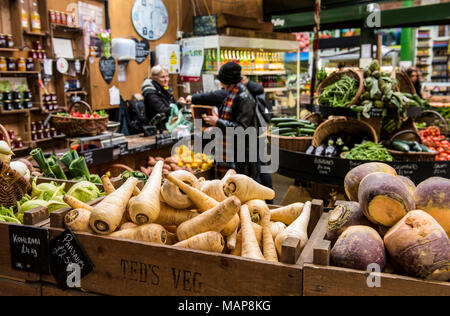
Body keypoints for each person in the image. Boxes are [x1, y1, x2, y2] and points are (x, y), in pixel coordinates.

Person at [198, 62, 260, 180]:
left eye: (222, 80)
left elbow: (242, 128)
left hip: (243, 152)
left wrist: (218, 122)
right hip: (234, 150)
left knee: (242, 186)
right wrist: (216, 125)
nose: (220, 83)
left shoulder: (244, 98)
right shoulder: (231, 94)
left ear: (229, 81)